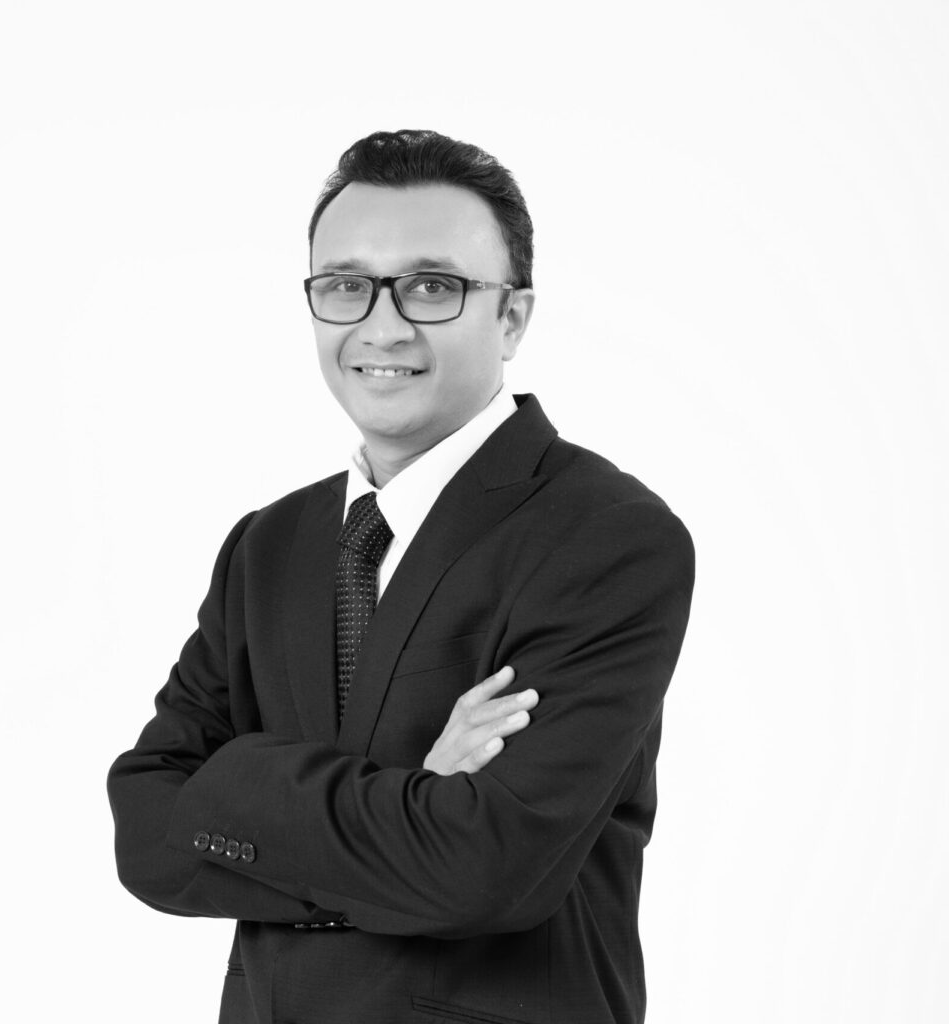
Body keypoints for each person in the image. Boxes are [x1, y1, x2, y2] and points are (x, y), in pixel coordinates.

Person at [107, 129, 695, 1024]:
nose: (382, 327)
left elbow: (484, 869)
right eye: (346, 286)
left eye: (431, 287)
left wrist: (238, 786)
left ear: (512, 317)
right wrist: (419, 795)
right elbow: (149, 834)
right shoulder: (267, 546)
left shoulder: (606, 538)